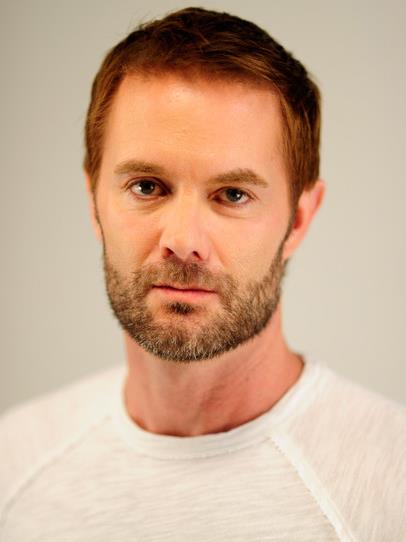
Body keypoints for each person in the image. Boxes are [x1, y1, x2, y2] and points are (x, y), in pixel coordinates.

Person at [1, 6, 405, 541]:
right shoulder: (14, 462)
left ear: (299, 219)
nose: (183, 240)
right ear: (94, 202)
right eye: (147, 187)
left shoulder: (391, 485)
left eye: (232, 194)